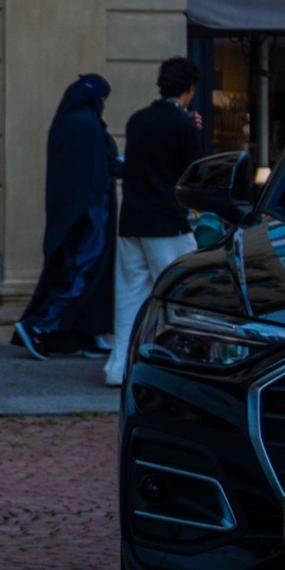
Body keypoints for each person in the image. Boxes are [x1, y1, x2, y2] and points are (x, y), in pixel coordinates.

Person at [103, 56, 206, 386]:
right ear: (189, 89)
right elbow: (194, 172)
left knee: (130, 296)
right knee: (182, 291)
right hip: (167, 222)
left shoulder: (137, 120)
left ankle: (118, 366)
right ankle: (183, 362)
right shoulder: (183, 125)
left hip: (132, 220)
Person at [15, 73, 117, 360]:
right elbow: (97, 171)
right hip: (89, 214)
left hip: (77, 214)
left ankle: (81, 333)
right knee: (82, 271)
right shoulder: (85, 124)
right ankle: (40, 325)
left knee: (82, 271)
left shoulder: (70, 120)